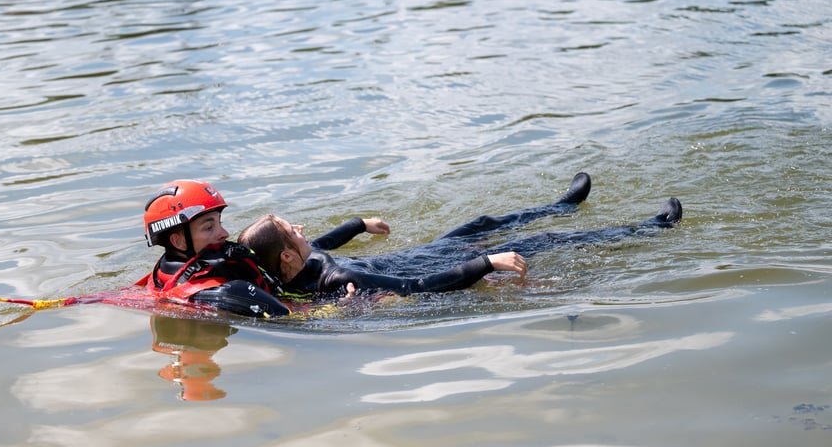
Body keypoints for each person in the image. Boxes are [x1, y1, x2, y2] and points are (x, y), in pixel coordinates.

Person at [237, 172, 682, 301]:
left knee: (479, 222)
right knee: (544, 242)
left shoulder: (288, 267)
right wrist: (485, 264)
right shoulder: (333, 283)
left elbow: (328, 244)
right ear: (289, 261)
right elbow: (416, 288)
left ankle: (564, 203)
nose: (301, 229)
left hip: (422, 253)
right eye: (290, 232)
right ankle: (651, 228)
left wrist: (358, 224)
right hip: (427, 270)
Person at [135, 179, 293, 318]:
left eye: (220, 223)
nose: (225, 234)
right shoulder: (229, 293)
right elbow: (292, 321)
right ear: (179, 242)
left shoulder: (159, 278)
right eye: (209, 227)